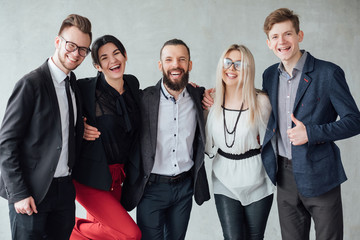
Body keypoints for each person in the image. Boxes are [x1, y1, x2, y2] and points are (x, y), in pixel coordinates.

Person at [83, 38, 210, 240]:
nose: (175, 65)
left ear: (189, 65)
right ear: (160, 65)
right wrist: (80, 125)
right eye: (169, 59)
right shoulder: (143, 98)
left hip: (185, 187)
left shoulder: (199, 96)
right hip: (151, 188)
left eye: (181, 59)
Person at [261, 8, 360, 240]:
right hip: (284, 177)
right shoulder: (268, 76)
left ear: (299, 35)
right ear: (268, 43)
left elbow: (355, 121)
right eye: (275, 37)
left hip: (321, 175)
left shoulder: (328, 73)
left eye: (287, 34)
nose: (282, 42)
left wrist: (312, 133)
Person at [0, 14, 91, 239]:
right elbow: (6, 143)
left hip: (63, 192)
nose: (76, 53)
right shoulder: (31, 83)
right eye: (71, 45)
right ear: (58, 42)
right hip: (31, 193)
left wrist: (82, 128)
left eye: (83, 49)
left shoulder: (73, 86)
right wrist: (19, 193)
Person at [70, 35, 141, 240]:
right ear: (97, 66)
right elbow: (59, 112)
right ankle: (64, 229)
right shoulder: (85, 89)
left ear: (125, 55)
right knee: (129, 235)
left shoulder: (132, 85)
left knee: (106, 233)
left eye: (117, 53)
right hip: (90, 177)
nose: (113, 61)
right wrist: (79, 127)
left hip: (117, 178)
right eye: (104, 57)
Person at [205, 44, 275, 240]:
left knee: (255, 237)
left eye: (239, 64)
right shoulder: (210, 101)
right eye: (227, 63)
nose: (231, 69)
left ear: (248, 69)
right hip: (224, 177)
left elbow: (274, 142)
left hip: (257, 177)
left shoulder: (261, 102)